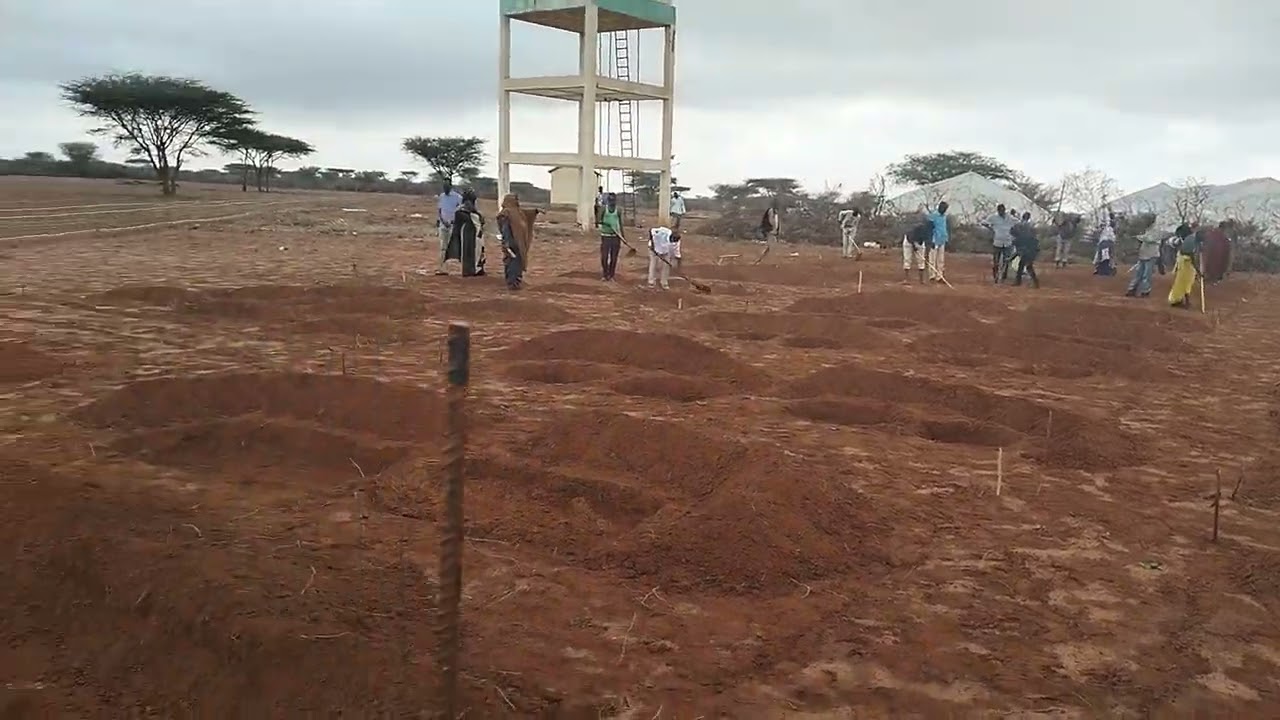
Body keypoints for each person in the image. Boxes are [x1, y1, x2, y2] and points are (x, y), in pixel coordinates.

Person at [446, 189, 486, 277]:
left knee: (477, 250)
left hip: (474, 233)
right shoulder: (461, 211)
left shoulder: (473, 212)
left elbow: (481, 221)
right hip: (467, 233)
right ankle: (469, 270)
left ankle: (477, 268)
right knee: (468, 251)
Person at [1127, 225, 1175, 298]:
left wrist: (1138, 237)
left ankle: (1145, 291)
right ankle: (1132, 289)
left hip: (1151, 256)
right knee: (1138, 273)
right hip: (1143, 255)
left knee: (1146, 275)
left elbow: (1149, 239)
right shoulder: (1148, 231)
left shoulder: (1157, 233)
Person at [496, 194, 531, 291]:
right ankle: (512, 282)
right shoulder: (506, 214)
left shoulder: (518, 212)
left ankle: (515, 280)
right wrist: (507, 243)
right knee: (512, 261)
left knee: (517, 261)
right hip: (511, 242)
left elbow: (527, 214)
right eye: (515, 200)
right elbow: (505, 229)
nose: (517, 201)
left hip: (518, 242)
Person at [1168, 223, 1202, 308]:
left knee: (1183, 282)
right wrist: (1198, 270)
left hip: (1184, 262)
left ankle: (1179, 299)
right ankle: (1179, 300)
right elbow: (1192, 256)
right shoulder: (1191, 239)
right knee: (1185, 282)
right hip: (1186, 263)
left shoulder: (1189, 239)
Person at [981, 204, 1017, 283]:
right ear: (998, 211)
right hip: (997, 242)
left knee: (1006, 261)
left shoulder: (1010, 218)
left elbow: (1018, 223)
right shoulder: (993, 217)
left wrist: (1013, 232)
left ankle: (1003, 276)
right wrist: (991, 228)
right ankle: (996, 276)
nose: (1001, 212)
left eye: (1003, 211)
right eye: (1000, 211)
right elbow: (983, 222)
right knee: (996, 261)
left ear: (1004, 210)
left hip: (1008, 242)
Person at [434, 180, 464, 275]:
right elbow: (440, 210)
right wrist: (442, 221)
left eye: (447, 186)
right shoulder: (442, 196)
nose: (445, 188)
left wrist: (454, 222)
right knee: (443, 247)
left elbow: (460, 210)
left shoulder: (458, 197)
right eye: (444, 187)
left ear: (450, 186)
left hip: (453, 224)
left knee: (456, 246)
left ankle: (461, 268)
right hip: (443, 224)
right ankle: (442, 268)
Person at [1010, 211, 1040, 288]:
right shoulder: (1028, 227)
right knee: (1024, 265)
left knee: (1027, 266)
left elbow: (1018, 251)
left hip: (1029, 249)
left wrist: (1010, 258)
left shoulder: (1020, 235)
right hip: (1032, 248)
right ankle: (1022, 281)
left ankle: (1033, 282)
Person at [598, 192, 624, 281]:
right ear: (608, 201)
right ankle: (605, 274)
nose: (612, 202)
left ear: (615, 201)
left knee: (614, 257)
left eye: (613, 200)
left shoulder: (618, 210)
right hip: (605, 236)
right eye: (610, 200)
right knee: (604, 257)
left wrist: (623, 236)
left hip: (616, 236)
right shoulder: (603, 209)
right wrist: (606, 224)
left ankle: (611, 275)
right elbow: (598, 221)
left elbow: (620, 224)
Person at [902, 217, 933, 284]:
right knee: (907, 259)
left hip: (919, 242)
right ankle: (906, 279)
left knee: (921, 260)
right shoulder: (917, 228)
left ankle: (921, 280)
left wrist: (927, 248)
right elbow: (910, 237)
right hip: (909, 241)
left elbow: (927, 240)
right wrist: (914, 246)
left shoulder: (930, 231)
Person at [924, 201, 949, 282]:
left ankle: (939, 276)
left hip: (942, 239)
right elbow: (929, 228)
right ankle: (932, 275)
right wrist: (930, 240)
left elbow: (944, 227)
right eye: (943, 208)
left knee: (941, 260)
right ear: (940, 207)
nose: (944, 210)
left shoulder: (944, 216)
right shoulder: (933, 216)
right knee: (932, 258)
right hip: (934, 239)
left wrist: (946, 237)